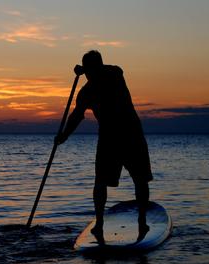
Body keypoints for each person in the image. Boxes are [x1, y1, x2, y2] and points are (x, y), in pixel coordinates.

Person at [55, 50, 153, 243]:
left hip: (130, 133)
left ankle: (142, 220)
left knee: (140, 179)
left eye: (92, 69)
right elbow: (76, 116)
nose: (90, 74)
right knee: (101, 181)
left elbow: (111, 70)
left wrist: (85, 69)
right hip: (109, 138)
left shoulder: (114, 74)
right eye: (89, 71)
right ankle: (99, 223)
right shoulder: (88, 91)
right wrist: (63, 136)